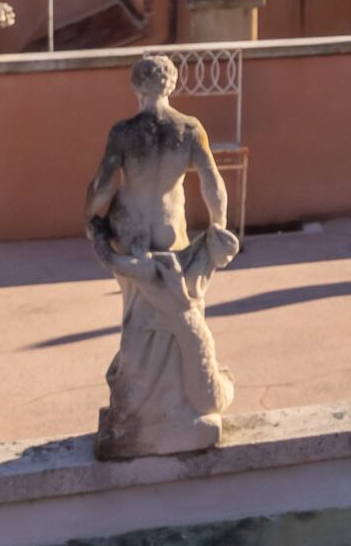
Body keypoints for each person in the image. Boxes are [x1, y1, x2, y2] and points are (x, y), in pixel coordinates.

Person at [83, 55, 239, 456]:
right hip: (172, 239)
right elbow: (212, 183)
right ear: (171, 85)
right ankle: (164, 406)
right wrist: (219, 225)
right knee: (172, 313)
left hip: (128, 233)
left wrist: (90, 217)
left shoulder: (124, 133)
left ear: (136, 87)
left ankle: (143, 408)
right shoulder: (188, 130)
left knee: (139, 317)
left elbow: (103, 184)